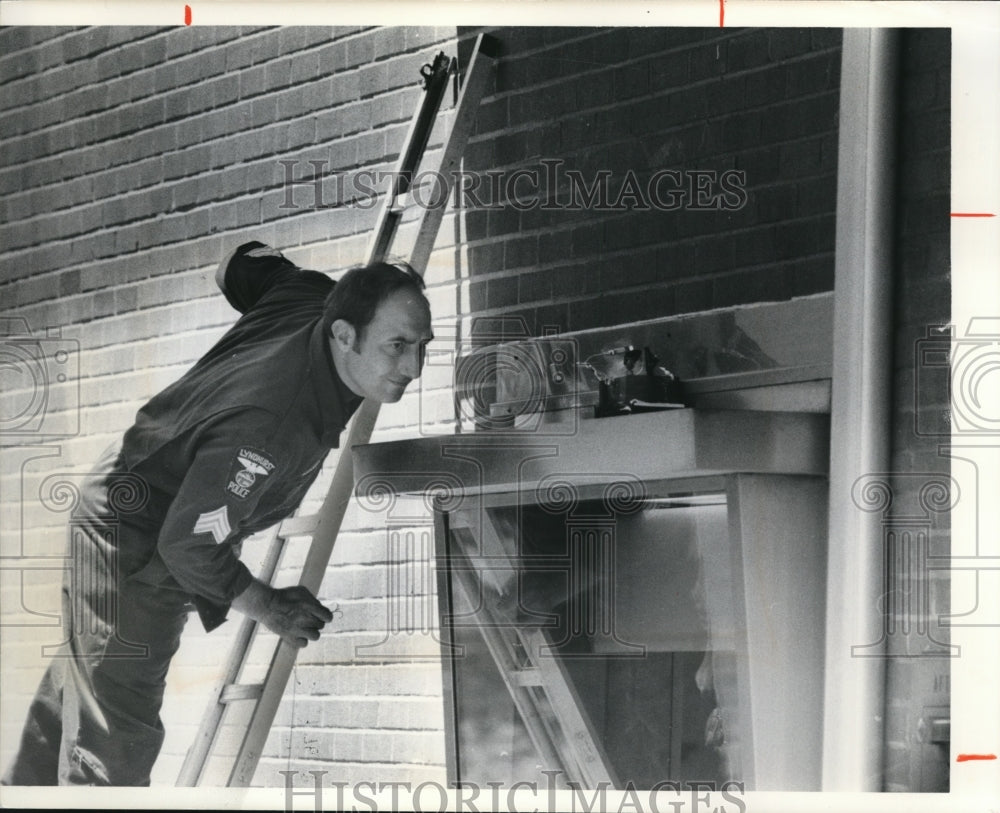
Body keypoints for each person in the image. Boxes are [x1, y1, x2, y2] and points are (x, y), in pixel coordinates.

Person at [1, 241, 434, 786]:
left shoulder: (310, 294)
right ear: (344, 335)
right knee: (114, 738)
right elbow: (188, 545)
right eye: (397, 346)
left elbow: (237, 264)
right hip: (136, 540)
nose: (413, 367)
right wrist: (270, 606)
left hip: (127, 492)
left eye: (422, 346)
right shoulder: (272, 427)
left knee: (77, 698)